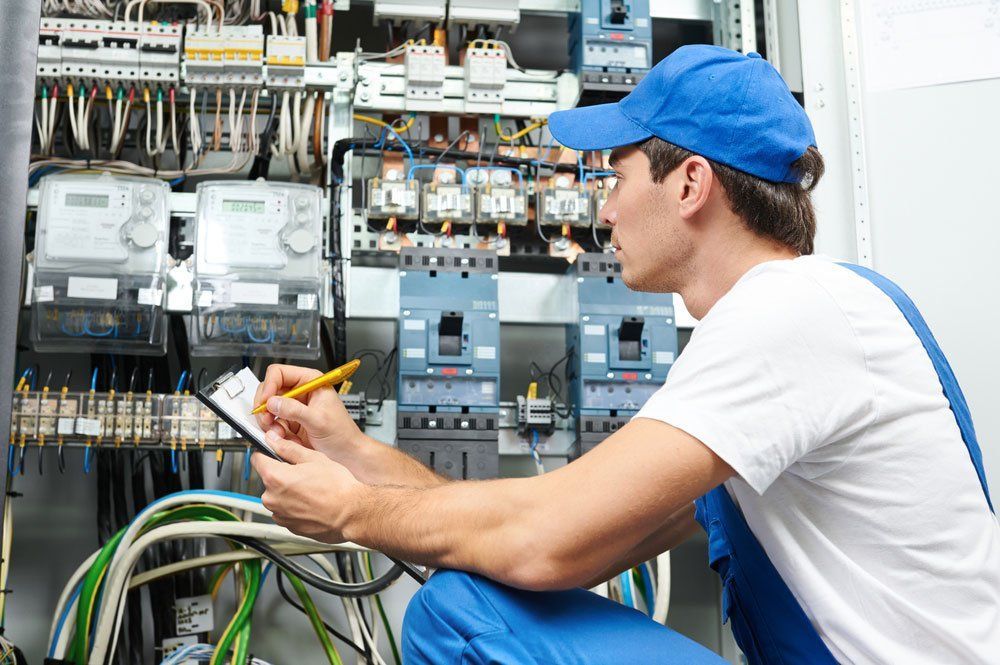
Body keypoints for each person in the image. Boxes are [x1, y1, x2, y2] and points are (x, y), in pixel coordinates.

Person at [251, 45, 1000, 663]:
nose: (604, 208)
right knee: (474, 593)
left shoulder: (789, 314)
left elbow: (540, 538)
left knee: (457, 613)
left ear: (690, 184)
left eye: (617, 174)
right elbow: (566, 542)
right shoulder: (792, 327)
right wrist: (353, 454)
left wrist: (351, 512)